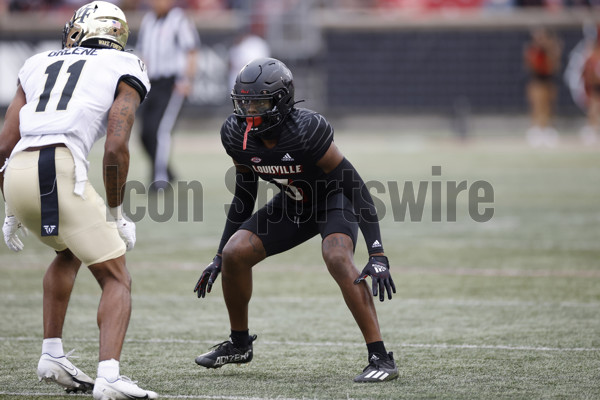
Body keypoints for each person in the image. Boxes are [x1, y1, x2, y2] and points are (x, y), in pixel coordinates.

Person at [193, 57, 398, 383]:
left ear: (280, 101)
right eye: (244, 102)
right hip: (292, 205)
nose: (249, 112)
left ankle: (380, 357)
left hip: (333, 201)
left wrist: (377, 253)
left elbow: (355, 188)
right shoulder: (236, 135)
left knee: (335, 255)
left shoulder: (306, 131)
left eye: (258, 102)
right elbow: (244, 197)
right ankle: (239, 343)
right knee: (235, 253)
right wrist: (218, 256)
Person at [0, 2, 157, 399]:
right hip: (60, 167)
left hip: (18, 171)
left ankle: (51, 353)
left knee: (67, 251)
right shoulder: (126, 65)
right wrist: (117, 212)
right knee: (116, 276)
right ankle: (109, 377)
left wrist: (8, 202)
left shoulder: (36, 61)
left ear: (79, 29)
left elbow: (5, 143)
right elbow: (117, 146)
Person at [135, 0, 200, 191]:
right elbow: (143, 52)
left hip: (172, 83)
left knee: (161, 130)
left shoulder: (178, 20)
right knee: (145, 133)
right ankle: (167, 171)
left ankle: (159, 178)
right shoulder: (148, 20)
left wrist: (187, 79)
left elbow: (192, 50)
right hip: (151, 83)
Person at [523, 27, 562, 147]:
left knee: (548, 106)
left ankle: (548, 128)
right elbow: (531, 67)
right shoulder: (532, 51)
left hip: (548, 80)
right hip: (537, 80)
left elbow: (554, 66)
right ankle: (536, 129)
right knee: (537, 105)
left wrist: (550, 49)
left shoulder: (552, 50)